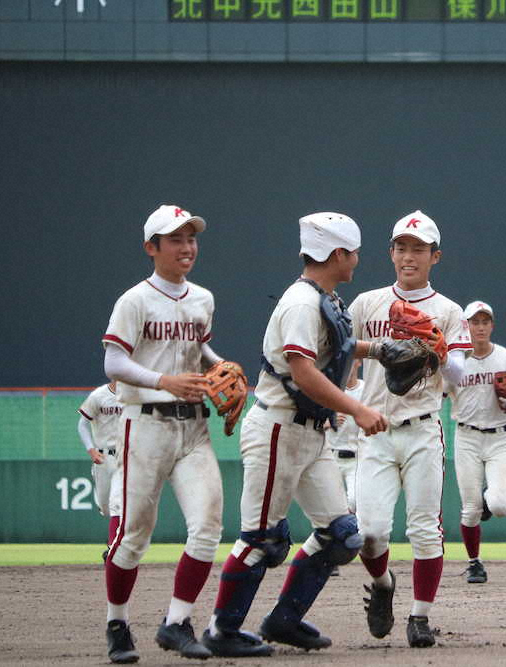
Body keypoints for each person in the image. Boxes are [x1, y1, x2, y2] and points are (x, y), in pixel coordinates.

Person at [203, 212, 387, 658]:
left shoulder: (323, 298)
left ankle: (284, 620)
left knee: (342, 533)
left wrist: (382, 348)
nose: (358, 260)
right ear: (338, 253)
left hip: (310, 433)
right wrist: (357, 408)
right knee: (262, 538)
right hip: (278, 431)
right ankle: (220, 630)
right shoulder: (302, 303)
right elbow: (303, 371)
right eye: (354, 252)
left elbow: (340, 347)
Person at [101, 204, 233, 663]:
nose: (187, 246)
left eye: (191, 238)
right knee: (134, 536)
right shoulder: (134, 300)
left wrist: (218, 366)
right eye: (175, 239)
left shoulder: (203, 298)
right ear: (151, 247)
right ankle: (118, 623)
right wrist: (163, 382)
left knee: (208, 526)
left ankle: (176, 623)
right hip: (147, 427)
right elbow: (113, 363)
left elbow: (197, 349)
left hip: (194, 428)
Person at [349, 210, 472, 648]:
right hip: (375, 428)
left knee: (424, 527)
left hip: (422, 428)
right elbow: (345, 355)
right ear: (391, 253)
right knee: (370, 532)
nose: (408, 256)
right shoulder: (367, 303)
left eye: (418, 249)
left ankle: (420, 616)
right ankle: (383, 584)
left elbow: (458, 375)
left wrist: (438, 352)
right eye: (401, 247)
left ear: (435, 256)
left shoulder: (448, 310)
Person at [447, 300, 506, 584]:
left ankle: (488, 498)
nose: (480, 327)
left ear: (492, 325)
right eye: (475, 322)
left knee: (498, 506)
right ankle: (474, 563)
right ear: (466, 326)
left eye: (485, 322)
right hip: (466, 437)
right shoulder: (455, 363)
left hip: (500, 437)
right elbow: (438, 394)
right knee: (469, 509)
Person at [77, 381, 124, 558]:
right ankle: (115, 544)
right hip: (103, 457)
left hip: (125, 457)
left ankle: (113, 549)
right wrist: (91, 449)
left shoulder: (135, 396)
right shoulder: (98, 395)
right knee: (106, 507)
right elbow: (82, 424)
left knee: (117, 503)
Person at [329, 358, 365, 514]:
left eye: (352, 359)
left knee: (354, 501)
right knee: (327, 506)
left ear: (359, 362)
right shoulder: (330, 388)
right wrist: (329, 419)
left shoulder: (366, 389)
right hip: (331, 456)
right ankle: (337, 535)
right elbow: (314, 416)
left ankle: (346, 532)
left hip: (356, 458)